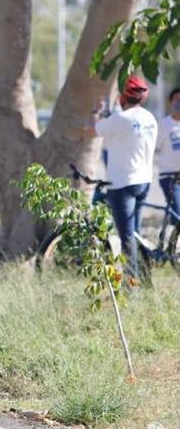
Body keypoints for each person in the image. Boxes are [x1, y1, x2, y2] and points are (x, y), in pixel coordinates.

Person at [91, 75, 157, 278]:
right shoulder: (149, 118)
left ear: (123, 97)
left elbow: (94, 129)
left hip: (122, 185)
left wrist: (97, 111)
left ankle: (132, 288)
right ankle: (145, 280)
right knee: (135, 235)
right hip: (143, 183)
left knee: (127, 238)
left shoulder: (119, 120)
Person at [156, 87, 180, 224]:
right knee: (177, 213)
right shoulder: (164, 125)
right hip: (169, 177)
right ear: (171, 102)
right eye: (177, 99)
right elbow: (155, 148)